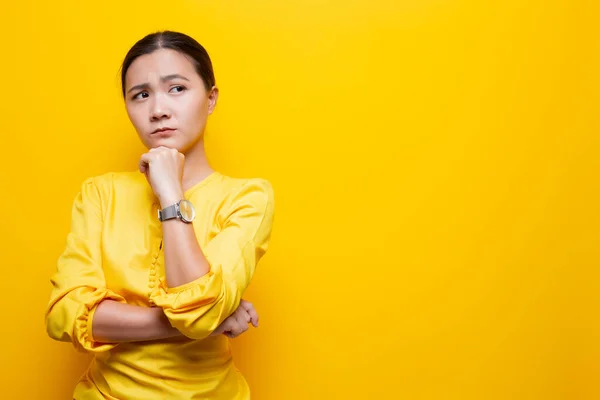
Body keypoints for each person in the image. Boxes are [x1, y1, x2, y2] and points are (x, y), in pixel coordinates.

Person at [44, 30, 275, 399]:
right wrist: (212, 321)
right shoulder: (100, 193)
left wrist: (170, 192)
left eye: (177, 89)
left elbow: (196, 313)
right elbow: (65, 316)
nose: (158, 110)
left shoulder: (247, 197)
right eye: (141, 95)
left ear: (211, 98)